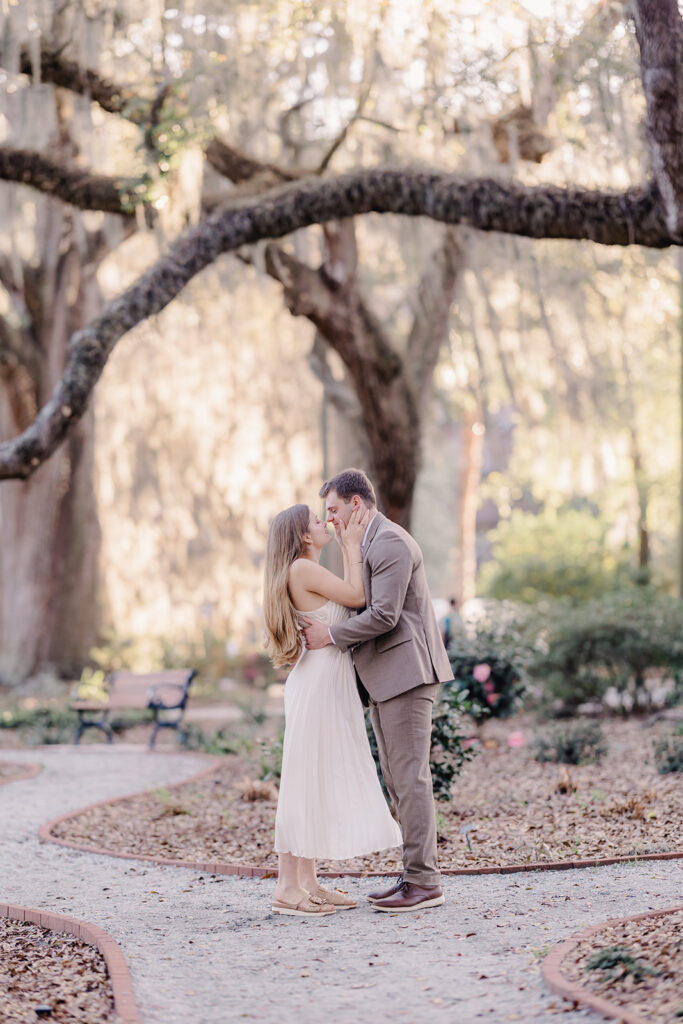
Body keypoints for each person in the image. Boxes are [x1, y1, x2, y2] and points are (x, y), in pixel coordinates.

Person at [302, 468, 454, 913]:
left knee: (410, 778)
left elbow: (385, 615)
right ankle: (413, 876)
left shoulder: (388, 542)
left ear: (356, 504)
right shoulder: (364, 543)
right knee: (397, 778)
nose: (329, 519)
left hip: (407, 675)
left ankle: (425, 882)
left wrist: (331, 636)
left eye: (333, 510)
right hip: (387, 678)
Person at [263, 502, 402, 918]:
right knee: (304, 780)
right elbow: (358, 596)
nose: (326, 523)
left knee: (316, 779)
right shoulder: (302, 569)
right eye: (317, 522)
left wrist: (347, 548)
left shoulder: (306, 570)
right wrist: (353, 545)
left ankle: (308, 882)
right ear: (305, 537)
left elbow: (348, 601)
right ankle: (288, 888)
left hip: (324, 680)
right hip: (318, 682)